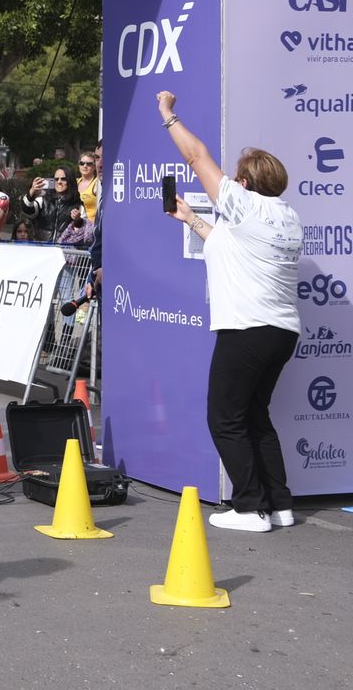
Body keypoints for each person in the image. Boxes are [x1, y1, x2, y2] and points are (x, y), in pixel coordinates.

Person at [157, 90, 301, 532]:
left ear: (245, 181)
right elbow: (229, 246)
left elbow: (196, 154)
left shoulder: (243, 203)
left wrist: (168, 115)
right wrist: (193, 221)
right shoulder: (287, 215)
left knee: (223, 417)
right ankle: (279, 505)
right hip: (280, 331)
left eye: (236, 177)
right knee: (255, 416)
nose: (230, 181)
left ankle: (250, 508)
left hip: (246, 329)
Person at [17, 166, 79, 243]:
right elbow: (26, 210)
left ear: (70, 181)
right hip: (43, 248)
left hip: (65, 251)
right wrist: (32, 191)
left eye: (63, 179)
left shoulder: (78, 205)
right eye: (56, 179)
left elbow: (83, 231)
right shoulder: (43, 200)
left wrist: (77, 220)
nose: (59, 182)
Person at [77, 151, 102, 223]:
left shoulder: (98, 183)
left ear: (94, 166)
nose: (85, 166)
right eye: (82, 163)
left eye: (89, 164)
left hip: (91, 227)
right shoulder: (75, 182)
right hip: (75, 228)